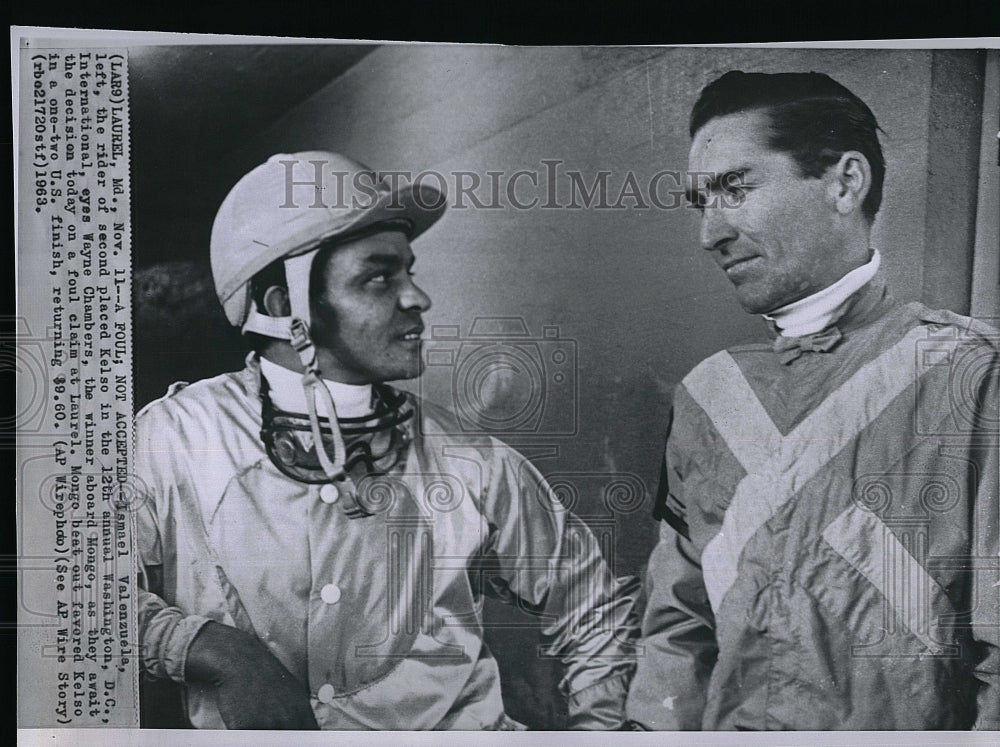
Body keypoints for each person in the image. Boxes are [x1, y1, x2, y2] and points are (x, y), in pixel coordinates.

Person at [135, 151, 639, 730]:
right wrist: (217, 651)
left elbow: (592, 603)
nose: (417, 299)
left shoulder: (468, 459)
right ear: (284, 307)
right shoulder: (174, 439)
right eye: (378, 277)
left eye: (409, 271)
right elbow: (76, 594)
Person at [626, 71, 999, 730]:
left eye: (736, 189)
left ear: (844, 183)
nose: (709, 233)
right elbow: (675, 637)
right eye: (701, 202)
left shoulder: (975, 374)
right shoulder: (708, 396)